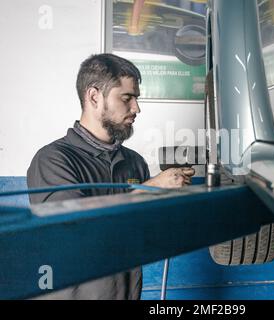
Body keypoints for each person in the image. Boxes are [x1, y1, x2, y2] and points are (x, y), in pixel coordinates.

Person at [27, 53, 195, 299]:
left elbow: (144, 237)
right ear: (94, 97)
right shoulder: (53, 160)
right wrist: (147, 190)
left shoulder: (134, 163)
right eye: (127, 98)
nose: (136, 108)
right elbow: (73, 232)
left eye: (136, 99)